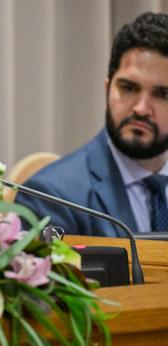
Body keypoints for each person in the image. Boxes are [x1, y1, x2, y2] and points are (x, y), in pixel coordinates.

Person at [16, 12, 168, 238]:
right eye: (128, 88)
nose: (141, 108)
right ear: (107, 90)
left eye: (162, 94)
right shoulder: (51, 197)